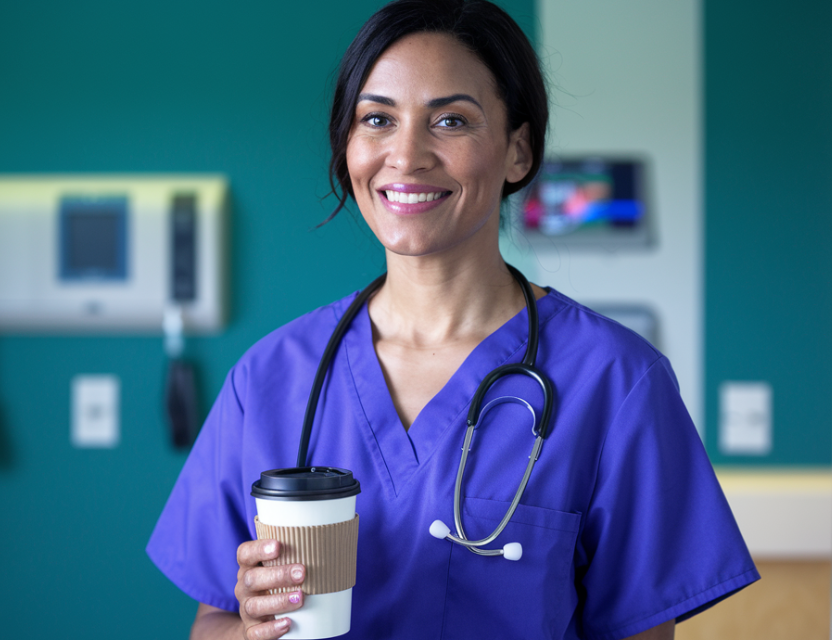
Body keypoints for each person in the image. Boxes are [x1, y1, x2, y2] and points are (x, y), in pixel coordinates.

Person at [147, 1, 758, 638]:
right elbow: (212, 621)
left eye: (450, 120)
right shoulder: (272, 377)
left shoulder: (616, 382)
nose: (406, 155)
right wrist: (250, 628)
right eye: (377, 118)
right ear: (347, 145)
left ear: (517, 151)